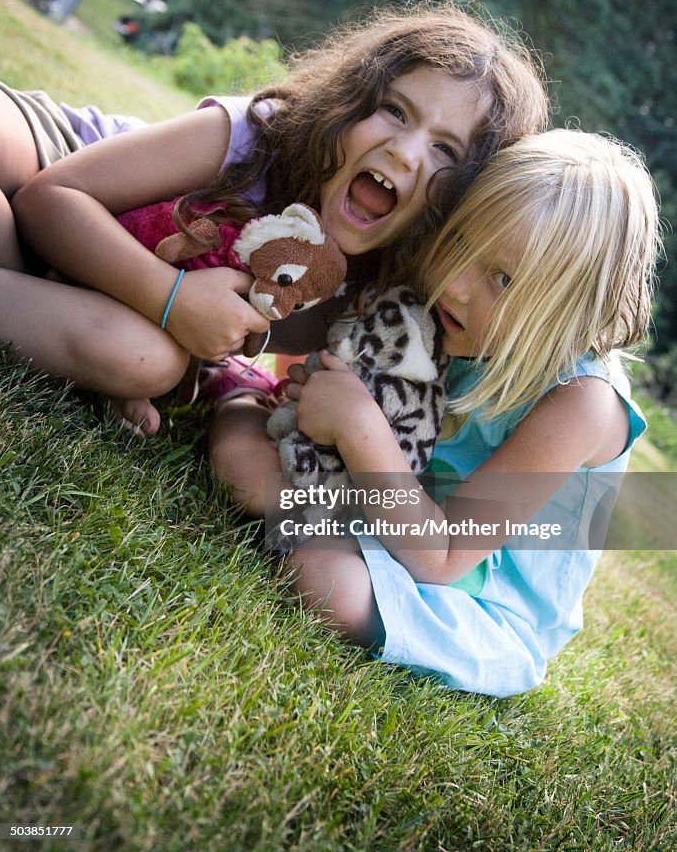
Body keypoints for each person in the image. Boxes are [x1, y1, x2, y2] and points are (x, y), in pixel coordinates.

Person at [0, 0, 548, 443]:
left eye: (446, 152)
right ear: (349, 102)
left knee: (145, 361)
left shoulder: (368, 301)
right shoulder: (258, 139)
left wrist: (201, 363)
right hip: (57, 159)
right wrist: (173, 299)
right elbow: (49, 197)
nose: (405, 152)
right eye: (395, 111)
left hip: (80, 280)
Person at [273, 128, 659, 697]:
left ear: (570, 312)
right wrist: (326, 393)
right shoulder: (462, 324)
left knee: (321, 577)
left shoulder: (580, 403)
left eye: (501, 278)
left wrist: (357, 425)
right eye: (459, 245)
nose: (453, 286)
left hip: (478, 601)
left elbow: (445, 555)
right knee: (240, 450)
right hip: (395, 520)